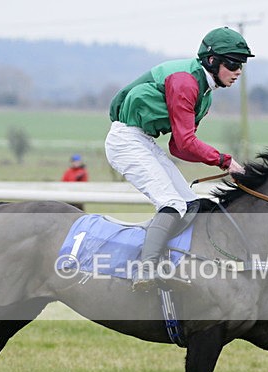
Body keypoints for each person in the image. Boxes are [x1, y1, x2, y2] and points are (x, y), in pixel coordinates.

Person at [105, 26, 253, 291]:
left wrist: (220, 161)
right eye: (233, 63)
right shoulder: (185, 82)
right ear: (212, 60)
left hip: (143, 140)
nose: (238, 71)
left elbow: (178, 147)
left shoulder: (205, 96)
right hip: (125, 140)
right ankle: (145, 270)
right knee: (171, 203)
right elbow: (185, 142)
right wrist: (224, 160)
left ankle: (168, 259)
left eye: (241, 64)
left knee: (190, 203)